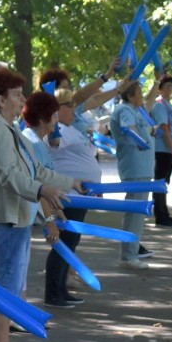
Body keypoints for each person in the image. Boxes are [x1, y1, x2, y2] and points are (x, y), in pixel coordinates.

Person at [0, 68, 83, 342]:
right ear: (0, 99)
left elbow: (35, 170)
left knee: (10, 283)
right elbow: (8, 175)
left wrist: (67, 181)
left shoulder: (7, 128)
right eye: (17, 94)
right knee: (5, 285)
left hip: (14, 216)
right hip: (3, 217)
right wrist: (42, 190)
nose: (22, 99)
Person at [43, 87, 109, 307]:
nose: (73, 109)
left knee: (71, 243)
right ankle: (53, 293)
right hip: (68, 195)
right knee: (64, 243)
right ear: (56, 110)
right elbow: (53, 143)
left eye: (73, 104)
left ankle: (60, 289)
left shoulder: (71, 128)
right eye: (68, 105)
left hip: (79, 194)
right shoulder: (58, 129)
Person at [110, 81, 154, 270]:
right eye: (139, 93)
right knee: (135, 212)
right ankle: (128, 256)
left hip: (141, 168)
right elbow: (129, 130)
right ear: (130, 96)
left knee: (137, 212)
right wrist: (142, 142)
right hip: (135, 168)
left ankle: (131, 252)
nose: (142, 96)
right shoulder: (125, 110)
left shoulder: (134, 110)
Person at [150, 75, 172, 227]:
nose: (169, 89)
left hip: (169, 150)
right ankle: (160, 215)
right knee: (160, 183)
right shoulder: (159, 105)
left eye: (171, 86)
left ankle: (164, 213)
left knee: (164, 183)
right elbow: (165, 129)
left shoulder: (167, 104)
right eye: (166, 86)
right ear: (160, 88)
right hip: (162, 150)